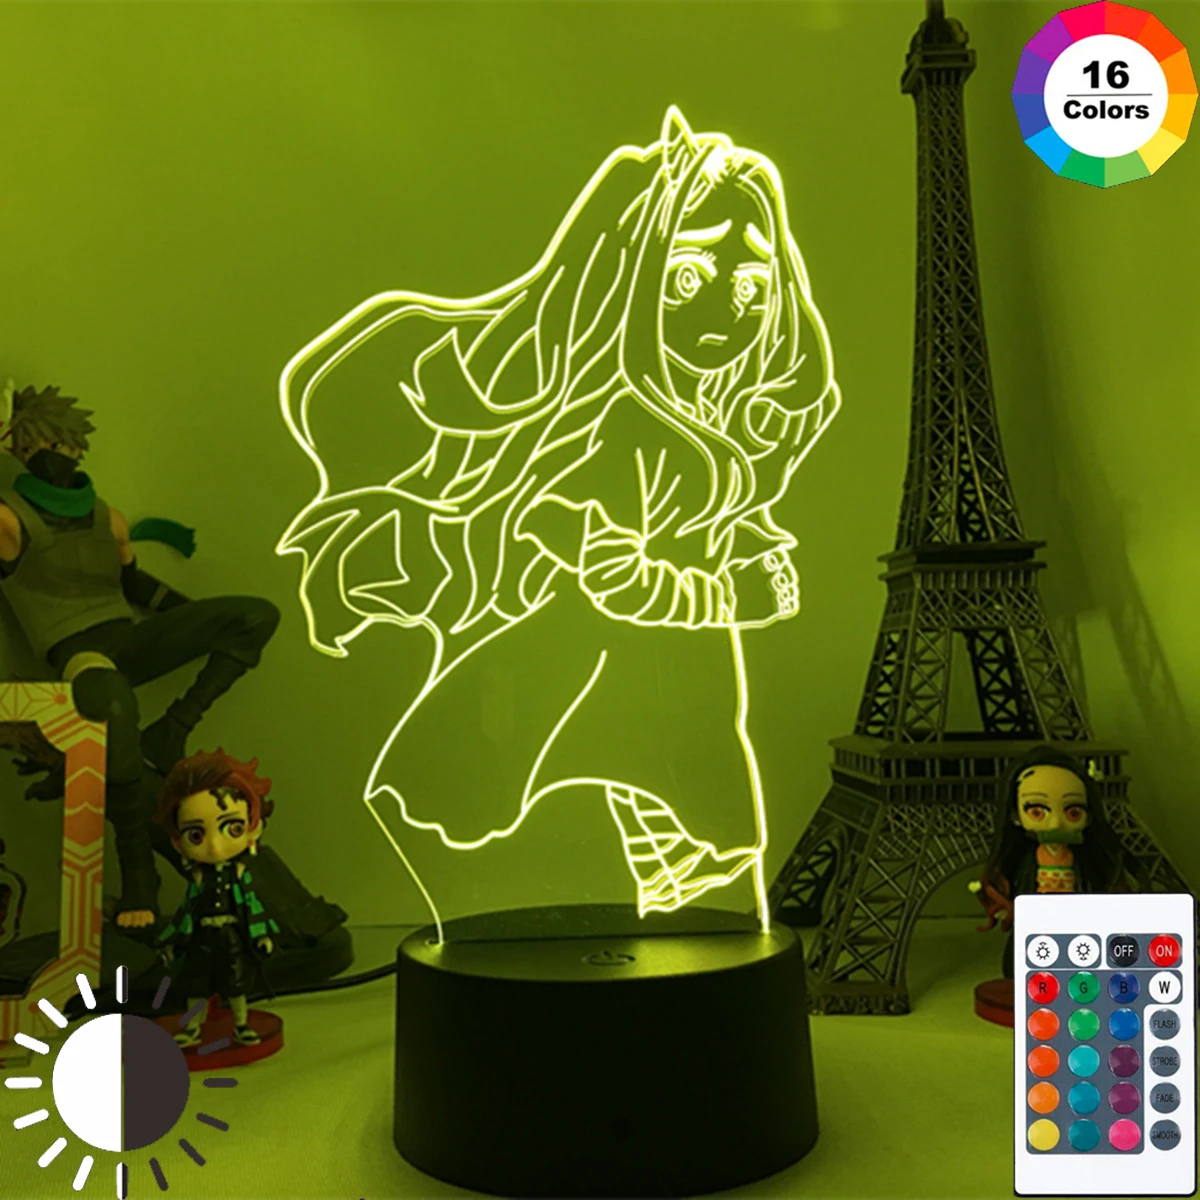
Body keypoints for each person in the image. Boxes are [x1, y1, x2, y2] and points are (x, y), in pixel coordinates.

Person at [276, 107, 841, 932]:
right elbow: (611, 571)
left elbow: (698, 524)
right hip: (606, 663)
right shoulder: (631, 429)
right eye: (687, 281)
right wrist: (730, 597)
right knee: (684, 827)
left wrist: (747, 552)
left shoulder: (696, 425)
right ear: (629, 279)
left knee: (689, 836)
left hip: (656, 679)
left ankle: (674, 928)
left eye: (752, 289)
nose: (724, 313)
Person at [0, 384, 279, 927]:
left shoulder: (108, 517)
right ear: (20, 450)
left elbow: (139, 589)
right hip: (80, 654)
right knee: (113, 703)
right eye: (39, 447)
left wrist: (196, 622)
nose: (56, 456)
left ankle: (173, 728)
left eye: (64, 445)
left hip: (127, 638)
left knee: (255, 615)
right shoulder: (10, 521)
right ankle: (139, 882)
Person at [976, 743, 1138, 977]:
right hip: (1038, 915)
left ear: (1089, 816)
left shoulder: (1084, 861)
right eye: (1037, 812)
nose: (1055, 824)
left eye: (1073, 812)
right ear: (1014, 815)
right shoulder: (1025, 861)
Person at [155, 749, 279, 1048]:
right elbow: (186, 911)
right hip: (201, 936)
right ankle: (193, 1027)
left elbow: (253, 905)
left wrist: (262, 934)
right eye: (196, 835)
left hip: (231, 935)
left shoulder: (240, 875)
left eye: (232, 828)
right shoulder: (199, 880)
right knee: (195, 983)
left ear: (253, 827)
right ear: (178, 841)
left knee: (236, 983)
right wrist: (172, 939)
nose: (214, 846)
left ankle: (241, 1025)